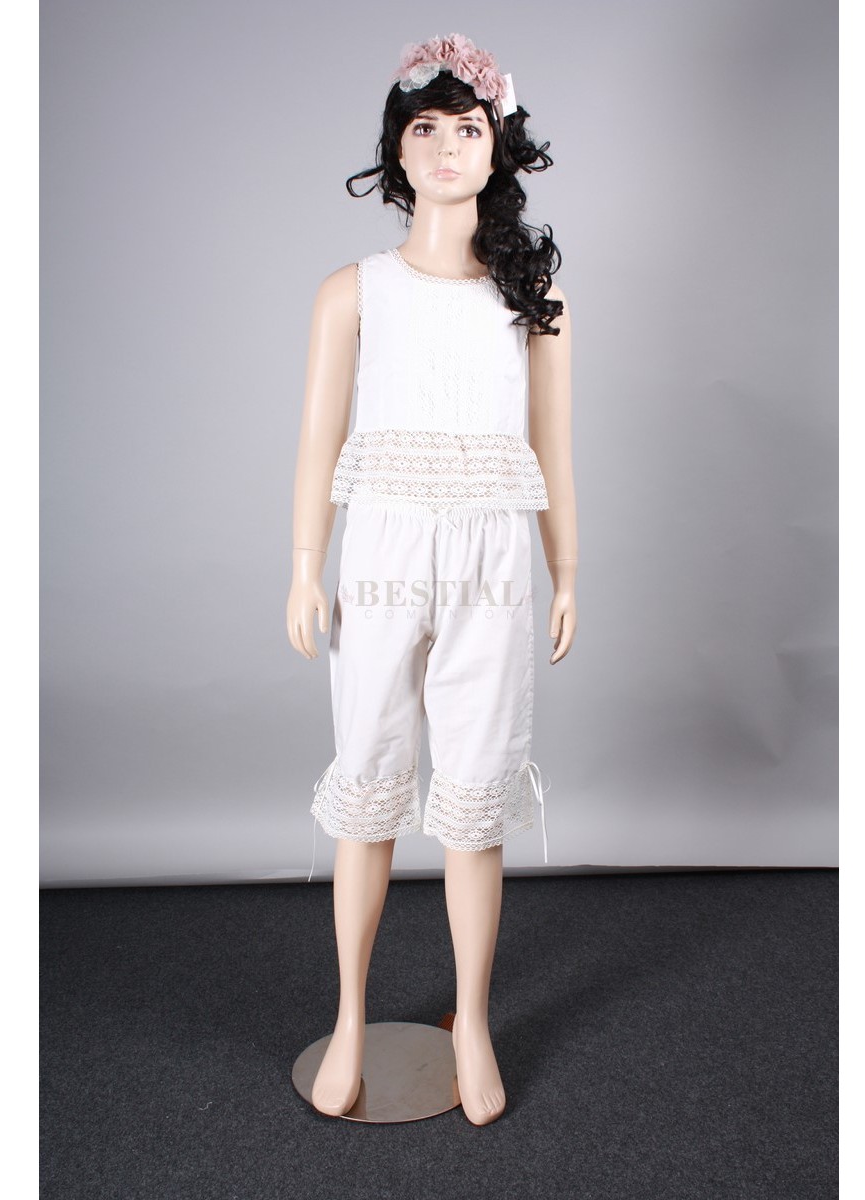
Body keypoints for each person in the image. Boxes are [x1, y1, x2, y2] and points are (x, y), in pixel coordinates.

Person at [286, 32, 578, 1126]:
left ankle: (474, 1021)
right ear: (397, 150)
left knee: (474, 795)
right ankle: (351, 1014)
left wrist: (567, 569)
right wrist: (304, 564)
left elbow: (555, 448)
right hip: (383, 553)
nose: (448, 146)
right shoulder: (353, 291)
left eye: (469, 127)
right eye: (426, 127)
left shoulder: (533, 298)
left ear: (496, 148)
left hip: (493, 561)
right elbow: (318, 439)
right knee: (367, 781)